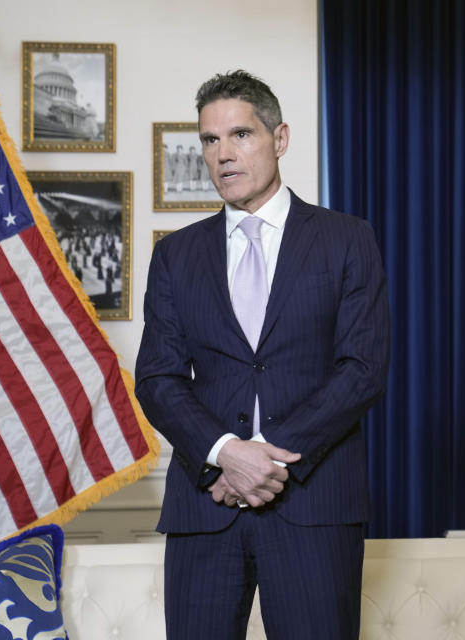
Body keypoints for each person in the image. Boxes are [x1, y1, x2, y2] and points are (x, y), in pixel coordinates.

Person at [135, 70, 390, 639]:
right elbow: (157, 378)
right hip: (206, 504)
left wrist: (266, 463)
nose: (222, 154)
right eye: (209, 140)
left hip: (314, 505)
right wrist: (224, 454)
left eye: (241, 135)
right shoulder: (176, 255)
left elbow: (363, 369)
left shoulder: (347, 239)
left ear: (281, 138)